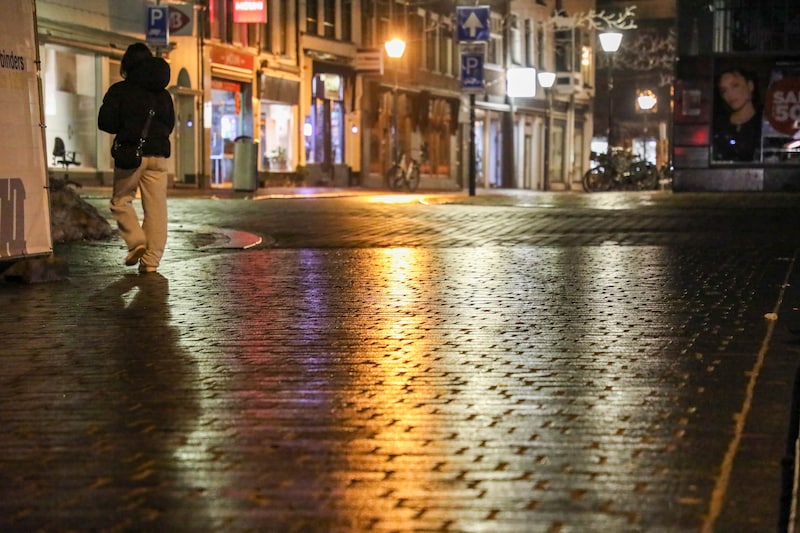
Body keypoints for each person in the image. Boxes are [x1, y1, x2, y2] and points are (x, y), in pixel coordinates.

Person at [98, 43, 175, 274]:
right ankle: (151, 261)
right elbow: (169, 125)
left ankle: (136, 241)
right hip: (158, 156)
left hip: (131, 154)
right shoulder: (164, 95)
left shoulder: (121, 90)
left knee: (121, 201)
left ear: (127, 65)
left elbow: (106, 123)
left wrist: (127, 123)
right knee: (156, 209)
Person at [712, 67, 762, 162]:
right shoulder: (718, 126)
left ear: (750, 86)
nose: (730, 94)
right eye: (724, 90)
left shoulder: (764, 123)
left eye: (735, 86)